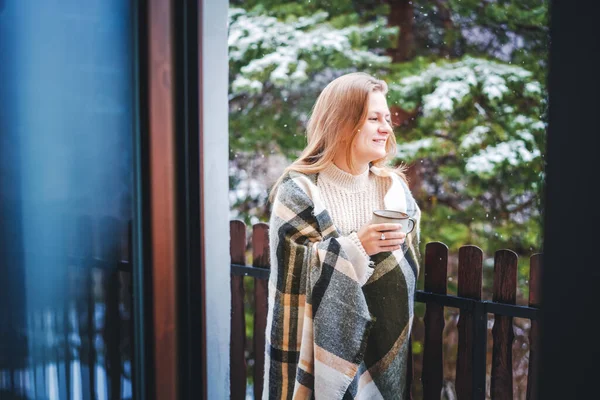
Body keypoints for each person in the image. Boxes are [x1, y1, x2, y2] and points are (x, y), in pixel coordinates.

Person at [264, 72, 422, 399]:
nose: (387, 128)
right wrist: (355, 248)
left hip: (379, 363)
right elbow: (293, 280)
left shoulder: (396, 194)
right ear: (344, 123)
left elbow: (401, 280)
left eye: (387, 119)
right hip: (314, 359)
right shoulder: (300, 193)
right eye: (374, 118)